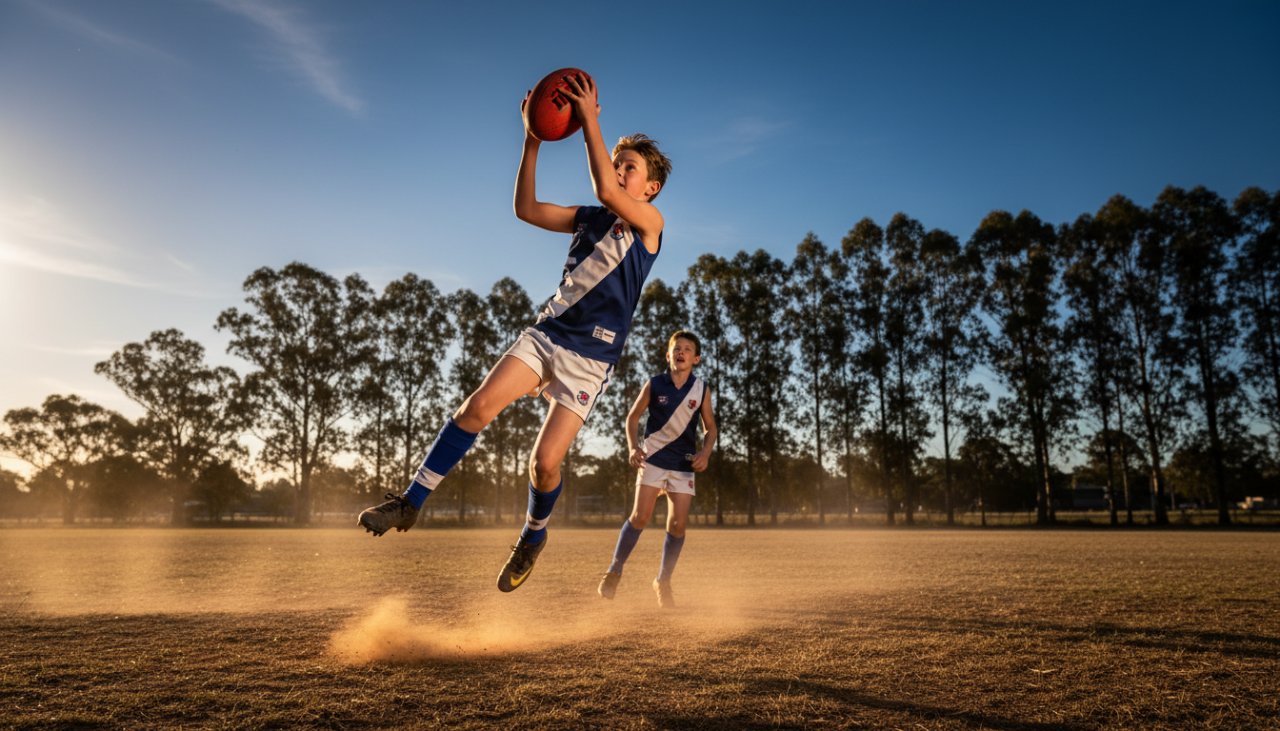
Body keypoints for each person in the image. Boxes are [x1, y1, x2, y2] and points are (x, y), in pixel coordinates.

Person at [357, 72, 672, 594]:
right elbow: (524, 209)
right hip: (548, 334)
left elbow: (601, 187)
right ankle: (410, 502)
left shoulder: (649, 225)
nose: (619, 172)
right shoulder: (589, 219)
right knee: (474, 410)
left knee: (544, 465)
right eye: (617, 164)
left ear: (651, 187)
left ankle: (533, 535)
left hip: (591, 359)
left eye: (629, 168)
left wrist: (590, 119)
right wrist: (532, 140)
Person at [597, 330, 718, 608]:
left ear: (696, 358)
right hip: (652, 459)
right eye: (677, 348)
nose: (681, 352)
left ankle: (663, 581)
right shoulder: (654, 384)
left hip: (683, 464)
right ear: (668, 355)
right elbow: (633, 417)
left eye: (688, 349)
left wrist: (705, 453)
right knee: (640, 516)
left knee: (678, 524)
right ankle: (614, 570)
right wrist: (632, 447)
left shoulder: (701, 389)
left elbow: (710, 429)